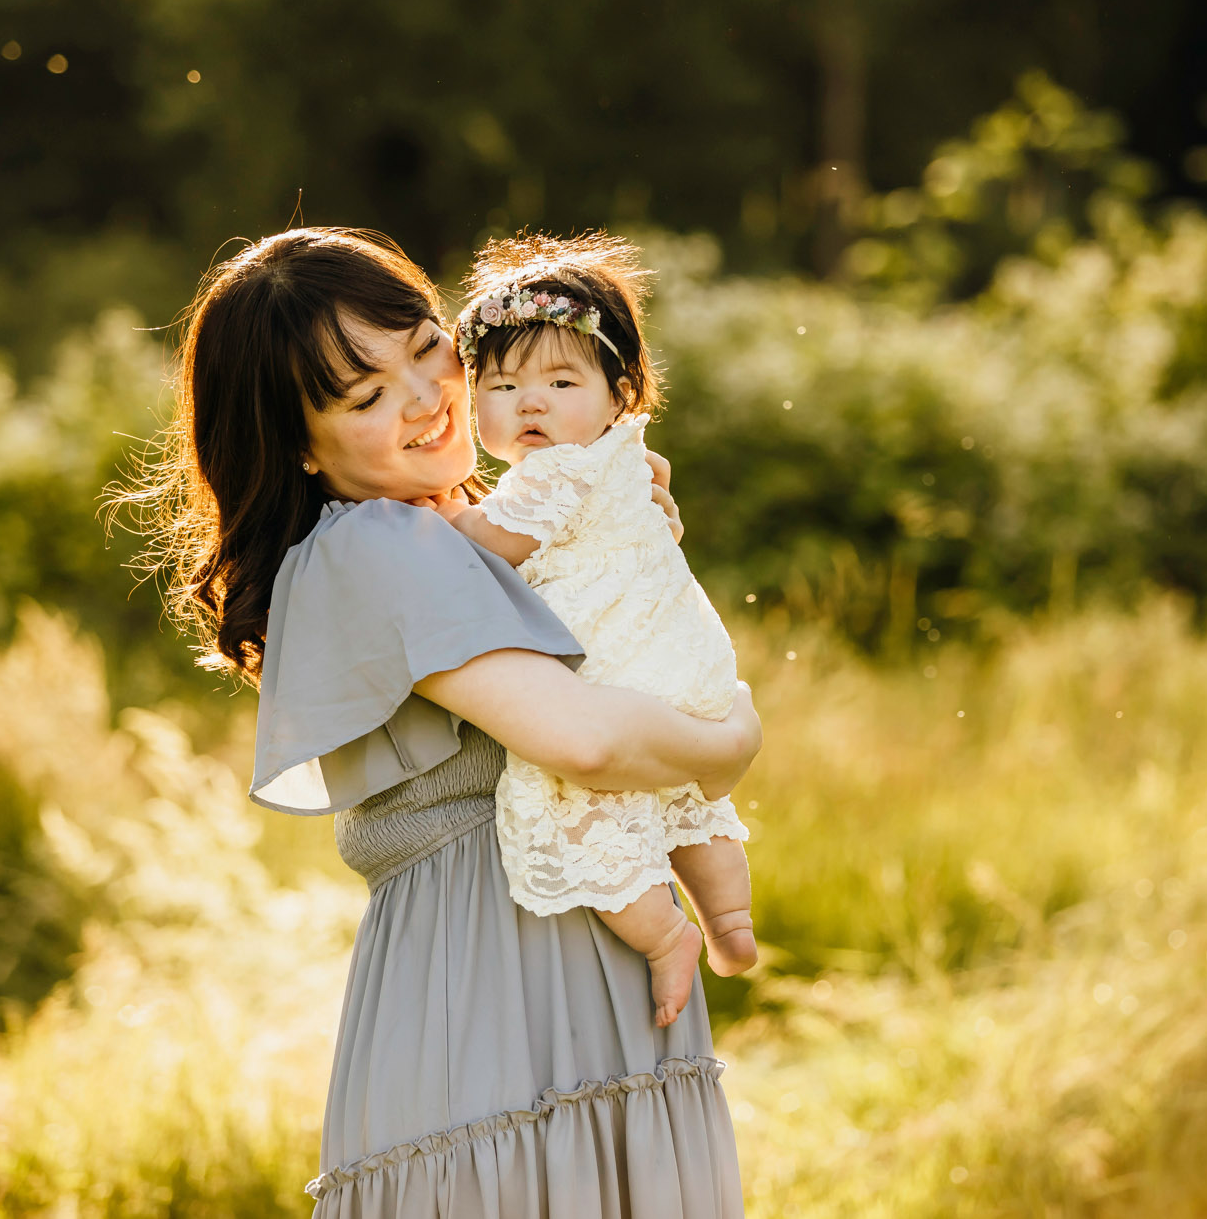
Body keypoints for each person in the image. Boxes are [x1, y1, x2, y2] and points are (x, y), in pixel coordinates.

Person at [124, 226, 756, 1215]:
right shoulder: (381, 540)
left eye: (426, 349)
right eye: (365, 396)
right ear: (299, 442)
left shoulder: (476, 524)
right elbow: (582, 740)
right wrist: (729, 745)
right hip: (491, 992)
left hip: (566, 978)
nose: (425, 399)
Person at [435, 233, 757, 1031]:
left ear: (620, 396)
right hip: (687, 662)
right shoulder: (628, 460)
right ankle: (732, 922)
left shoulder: (554, 473)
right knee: (684, 801)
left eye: (560, 380)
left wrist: (441, 515)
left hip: (618, 669)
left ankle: (666, 936)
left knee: (578, 806)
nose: (529, 402)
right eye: (502, 385)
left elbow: (491, 545)